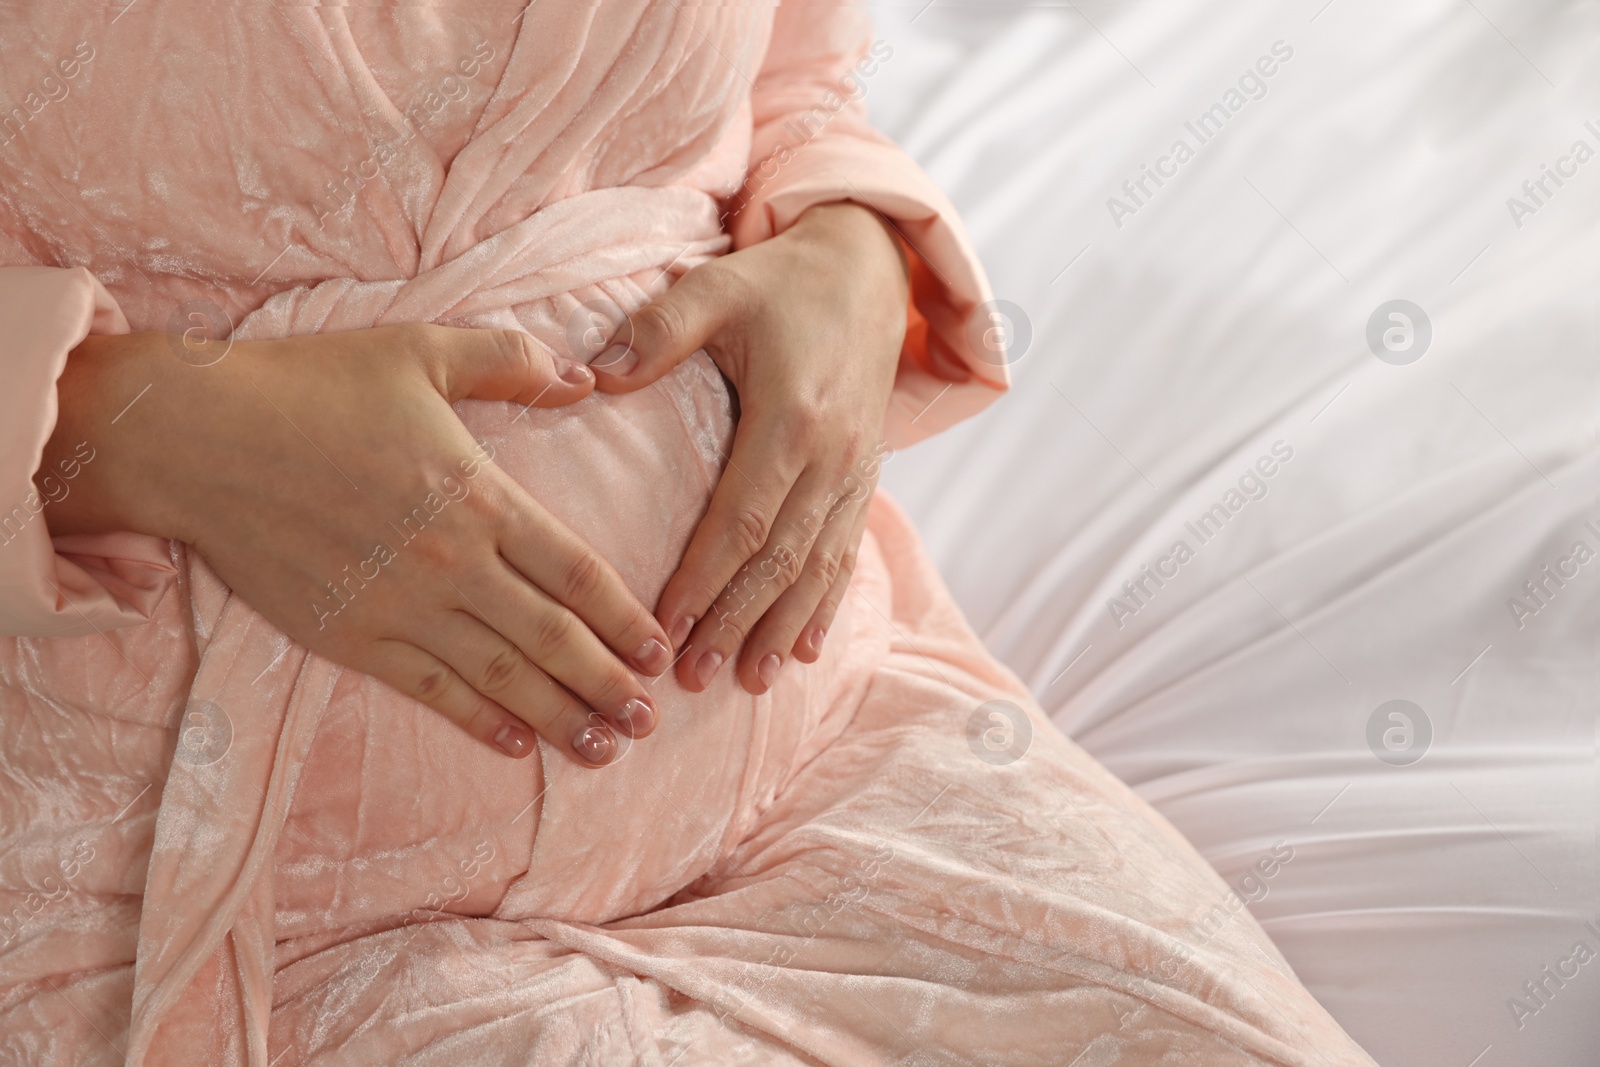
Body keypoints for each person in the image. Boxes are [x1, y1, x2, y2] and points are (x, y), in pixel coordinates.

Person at [0, 2, 1377, 1063]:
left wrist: (845, 245)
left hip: (819, 746)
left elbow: (787, 80)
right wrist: (125, 430)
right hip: (212, 891)